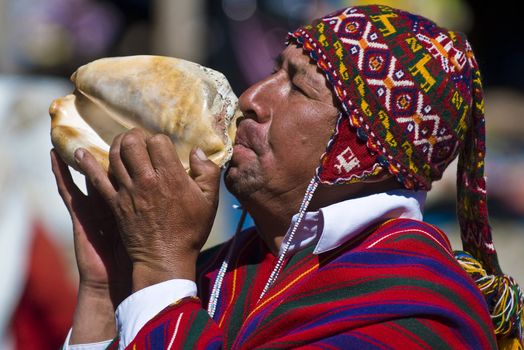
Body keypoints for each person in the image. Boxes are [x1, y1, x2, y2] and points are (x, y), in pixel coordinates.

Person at [53, 5, 523, 349]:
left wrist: (159, 270)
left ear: (358, 152)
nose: (251, 97)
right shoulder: (221, 269)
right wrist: (107, 288)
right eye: (274, 70)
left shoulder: (419, 311)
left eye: (298, 87)